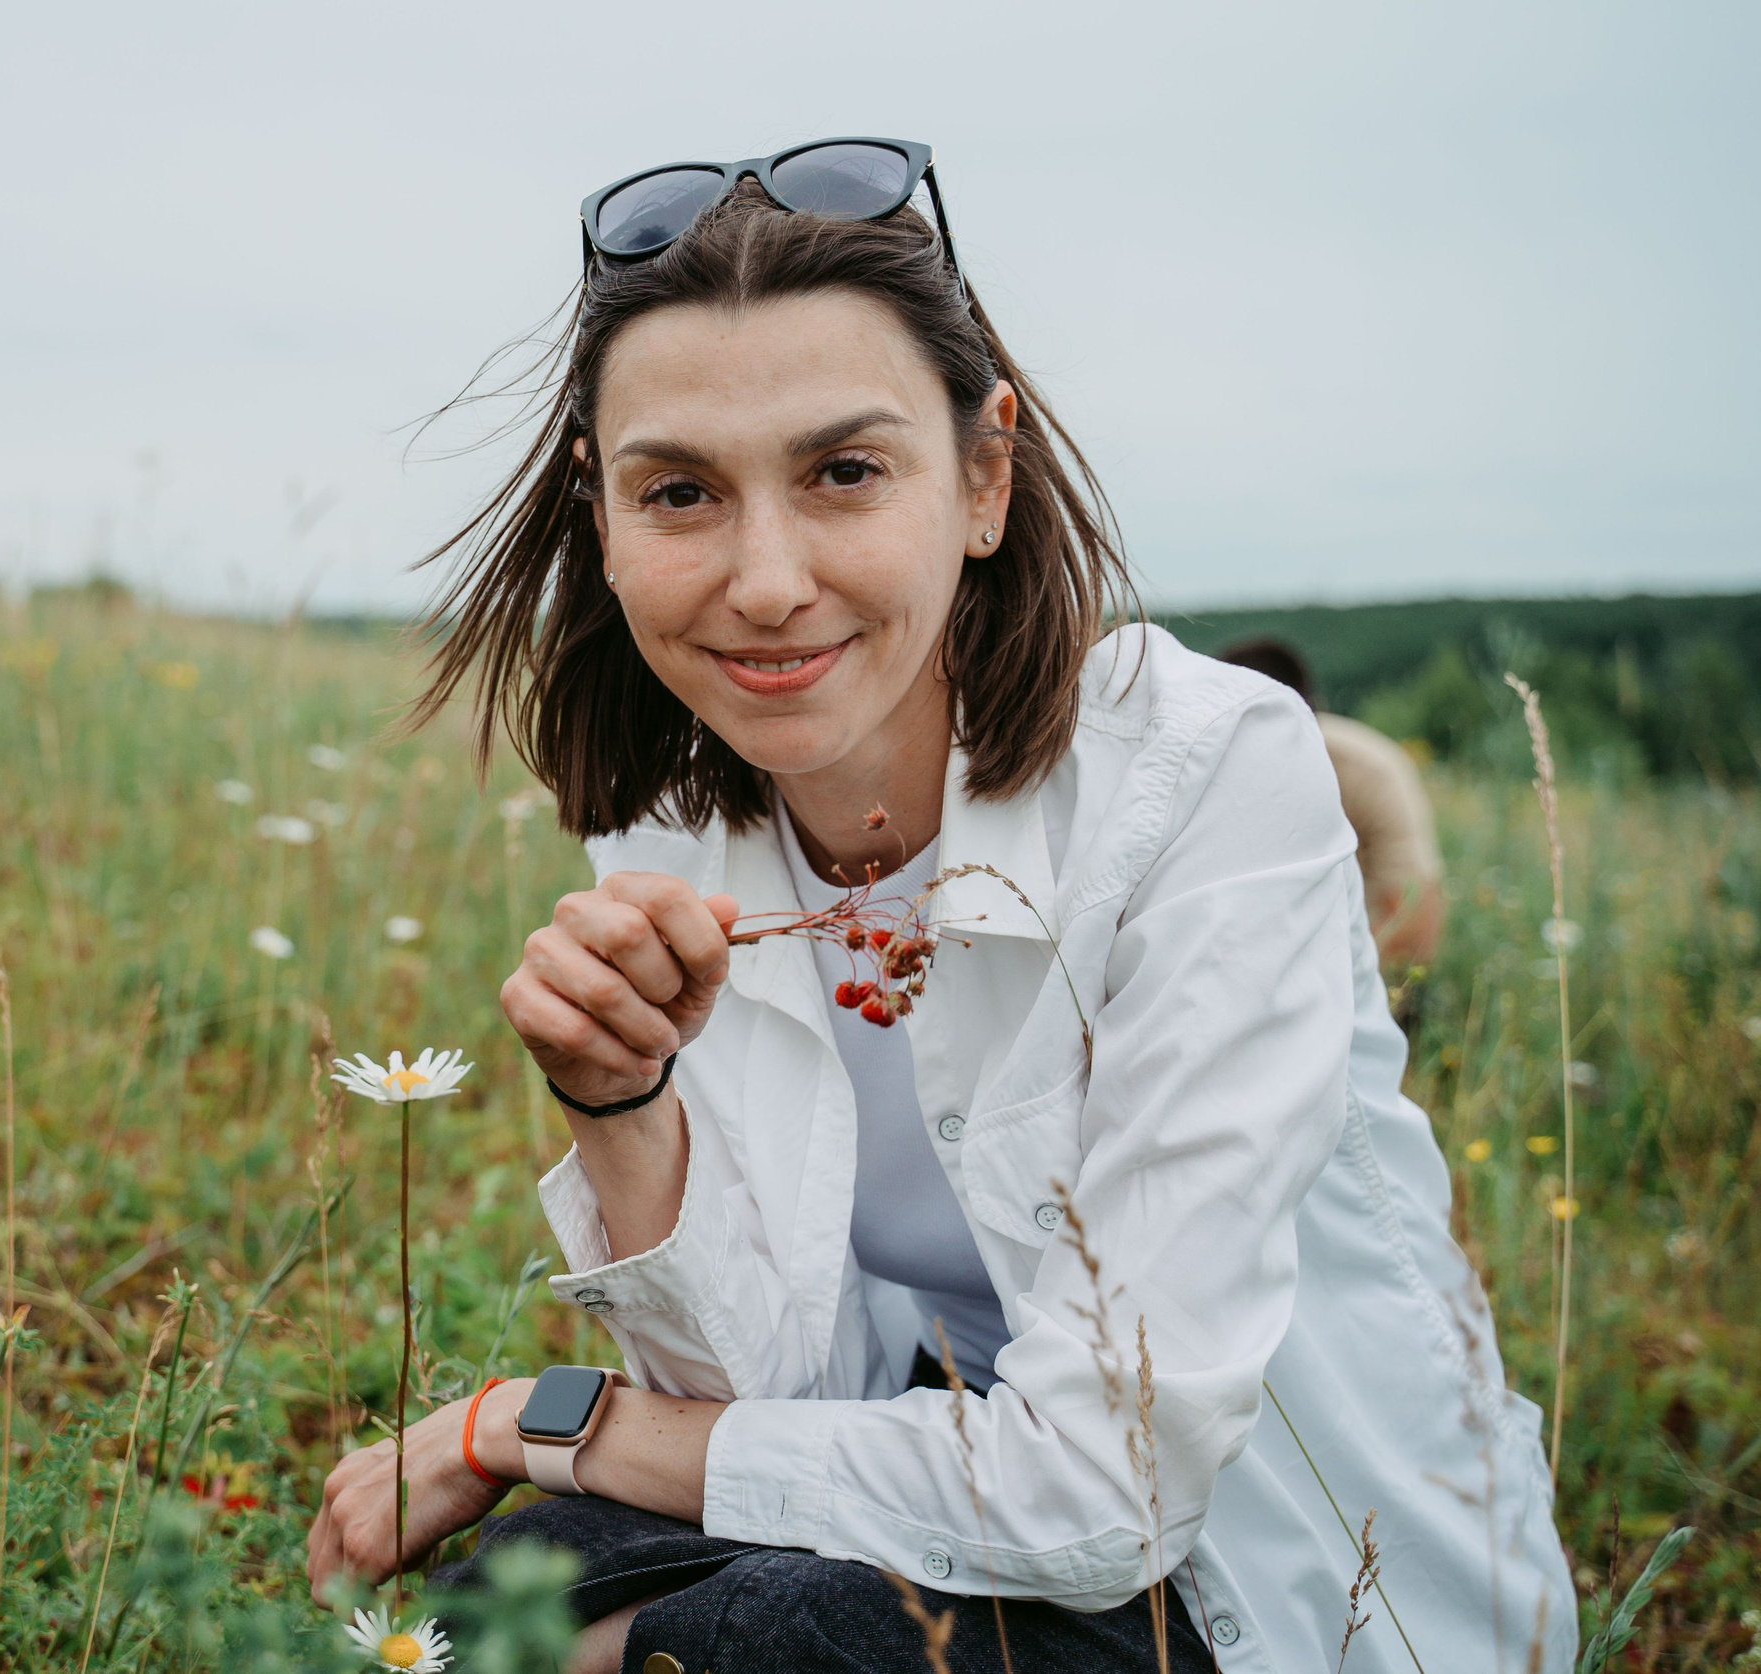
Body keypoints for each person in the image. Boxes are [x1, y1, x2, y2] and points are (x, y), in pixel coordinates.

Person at [306, 142, 1572, 1673]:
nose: (765, 581)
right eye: (680, 491)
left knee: (727, 1642)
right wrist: (621, 1104)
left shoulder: (1202, 779)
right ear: (603, 512)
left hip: (1284, 1588)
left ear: (983, 476)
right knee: (500, 1600)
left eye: (844, 472)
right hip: (943, 1493)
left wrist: (536, 1420)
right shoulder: (677, 830)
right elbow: (776, 1395)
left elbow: (1109, 1488)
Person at [1211, 637, 1446, 973]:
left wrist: (1324, 986)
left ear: (1310, 721)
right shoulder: (1198, 776)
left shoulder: (1371, 775)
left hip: (1360, 966)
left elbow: (1413, 922)